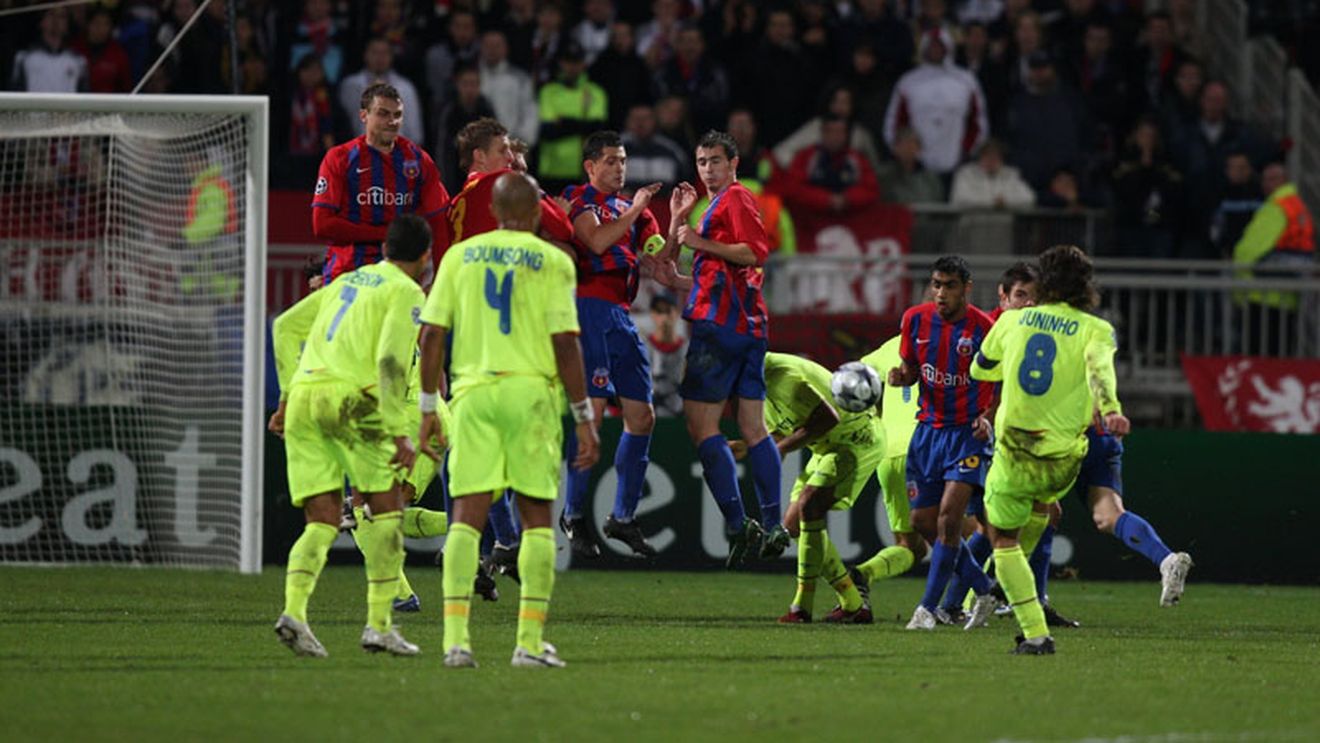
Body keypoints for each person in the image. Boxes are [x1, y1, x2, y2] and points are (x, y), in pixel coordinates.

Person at [417, 172, 601, 669]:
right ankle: (529, 644)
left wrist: (429, 409)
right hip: (530, 395)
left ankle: (455, 642)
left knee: (467, 517)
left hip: (474, 395)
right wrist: (585, 416)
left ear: (494, 212)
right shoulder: (553, 261)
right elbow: (566, 342)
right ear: (539, 212)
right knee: (537, 518)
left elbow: (431, 336)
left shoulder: (459, 257)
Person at [269, 214, 433, 658]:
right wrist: (400, 431)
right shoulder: (407, 292)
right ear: (424, 257)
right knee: (385, 511)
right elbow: (391, 362)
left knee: (322, 519)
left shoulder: (349, 280)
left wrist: (285, 397)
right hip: (352, 401)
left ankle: (295, 613)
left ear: (383, 250)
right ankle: (379, 625)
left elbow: (284, 327)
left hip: (305, 396)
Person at [967, 244, 1127, 654]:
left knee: (1002, 539)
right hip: (1063, 458)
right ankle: (1018, 595)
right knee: (1041, 511)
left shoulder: (1014, 321)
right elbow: (1101, 373)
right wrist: (1111, 411)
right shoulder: (1097, 329)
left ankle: (1035, 633)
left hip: (1017, 451)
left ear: (1044, 282)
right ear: (1086, 286)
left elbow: (980, 369)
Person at [650, 130, 785, 567]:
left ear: (734, 164)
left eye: (715, 161)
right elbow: (684, 271)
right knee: (753, 427)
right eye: (702, 161)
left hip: (719, 328)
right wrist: (678, 223)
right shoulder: (712, 206)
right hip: (747, 329)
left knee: (701, 427)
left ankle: (736, 522)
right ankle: (773, 523)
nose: (708, 169)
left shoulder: (736, 199)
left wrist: (697, 242)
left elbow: (755, 253)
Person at [559, 131, 673, 558]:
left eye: (622, 160)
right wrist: (640, 209)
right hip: (589, 308)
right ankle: (572, 513)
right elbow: (596, 241)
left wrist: (675, 221)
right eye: (609, 160)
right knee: (594, 415)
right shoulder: (578, 198)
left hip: (622, 316)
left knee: (642, 418)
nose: (619, 168)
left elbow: (660, 258)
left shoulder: (633, 210)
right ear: (590, 166)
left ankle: (621, 517)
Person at [888, 255, 999, 630]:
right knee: (922, 521)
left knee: (950, 520)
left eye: (949, 285)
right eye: (936, 284)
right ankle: (984, 589)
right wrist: (901, 378)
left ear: (966, 288)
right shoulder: (914, 320)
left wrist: (989, 418)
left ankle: (926, 609)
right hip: (928, 434)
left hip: (968, 434)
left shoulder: (984, 328)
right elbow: (912, 371)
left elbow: (999, 387)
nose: (940, 293)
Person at [756, 353, 883, 625]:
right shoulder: (758, 389)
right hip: (827, 447)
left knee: (810, 505)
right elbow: (778, 437)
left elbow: (828, 418)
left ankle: (801, 607)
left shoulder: (784, 378)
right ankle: (853, 603)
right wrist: (742, 449)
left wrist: (779, 449)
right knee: (792, 526)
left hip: (856, 440)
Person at [311, 82, 448, 285]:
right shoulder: (340, 158)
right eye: (383, 114)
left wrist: (440, 281)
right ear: (363, 115)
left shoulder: (419, 161)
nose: (392, 121)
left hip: (400, 279)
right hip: (347, 275)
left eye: (397, 115)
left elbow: (439, 221)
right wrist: (387, 235)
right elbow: (322, 224)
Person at [1232, 162, 1316, 356]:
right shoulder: (1297, 206)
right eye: (1265, 179)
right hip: (1288, 295)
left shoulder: (1276, 207)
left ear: (1284, 180)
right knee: (1280, 358)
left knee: (1260, 357)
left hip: (1264, 293)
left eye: (1273, 179)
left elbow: (1249, 251)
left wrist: (1239, 286)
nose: (1267, 184)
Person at [883, 28, 988, 177]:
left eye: (940, 46)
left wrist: (967, 152)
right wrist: (904, 153)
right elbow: (894, 123)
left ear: (948, 48)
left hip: (956, 164)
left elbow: (978, 122)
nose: (935, 50)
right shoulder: (908, 82)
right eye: (931, 46)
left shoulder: (966, 81)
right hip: (916, 168)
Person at [773, 114, 880, 217]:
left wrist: (847, 199)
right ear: (822, 133)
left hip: (851, 221)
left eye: (840, 132)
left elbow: (872, 190)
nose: (835, 136)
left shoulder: (858, 160)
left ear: (847, 135)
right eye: (830, 131)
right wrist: (826, 200)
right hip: (811, 222)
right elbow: (793, 189)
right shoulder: (806, 157)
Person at [538, 40, 608, 193]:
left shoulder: (595, 92)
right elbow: (549, 131)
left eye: (576, 62)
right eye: (568, 62)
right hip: (552, 169)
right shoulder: (549, 92)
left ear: (583, 63)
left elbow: (596, 130)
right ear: (561, 63)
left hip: (583, 170)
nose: (572, 67)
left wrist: (564, 123)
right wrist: (582, 125)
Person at [338, 38, 425, 144]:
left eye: (385, 53)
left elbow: (414, 130)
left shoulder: (405, 88)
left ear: (391, 57)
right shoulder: (351, 85)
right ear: (365, 55)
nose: (380, 58)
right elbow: (345, 125)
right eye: (375, 52)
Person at [647, 292, 687, 418]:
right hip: (647, 416)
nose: (664, 316)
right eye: (659, 311)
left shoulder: (688, 349)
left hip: (680, 415)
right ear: (652, 314)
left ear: (676, 313)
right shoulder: (642, 347)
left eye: (668, 311)